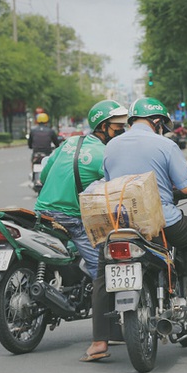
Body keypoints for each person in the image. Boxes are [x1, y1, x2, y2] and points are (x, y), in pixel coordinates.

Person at [82, 97, 187, 362]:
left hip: (118, 222)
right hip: (159, 221)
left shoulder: (111, 146)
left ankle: (98, 342)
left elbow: (111, 183)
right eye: (162, 124)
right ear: (157, 122)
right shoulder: (166, 144)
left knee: (101, 274)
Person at [34, 100, 128, 280]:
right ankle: (102, 304)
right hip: (71, 218)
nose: (121, 131)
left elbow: (44, 177)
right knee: (100, 268)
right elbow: (118, 186)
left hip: (41, 212)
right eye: (118, 127)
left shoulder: (69, 142)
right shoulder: (105, 153)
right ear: (103, 126)